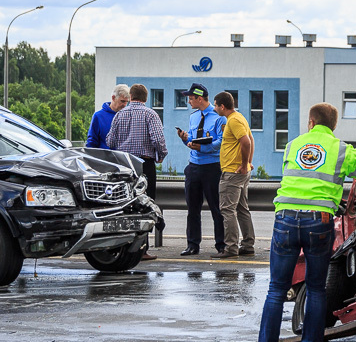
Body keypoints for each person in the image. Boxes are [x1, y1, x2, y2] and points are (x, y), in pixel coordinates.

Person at [253, 102, 356, 342]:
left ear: (310, 122)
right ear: (334, 126)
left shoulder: (292, 146)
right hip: (319, 223)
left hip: (285, 220)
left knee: (276, 289)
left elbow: (302, 179)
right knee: (315, 288)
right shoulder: (342, 150)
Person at [107, 84, 168, 260]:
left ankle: (125, 247)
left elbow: (110, 141)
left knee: (125, 206)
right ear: (146, 98)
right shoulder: (150, 114)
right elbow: (158, 139)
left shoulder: (119, 114)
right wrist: (161, 155)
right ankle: (142, 249)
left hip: (124, 166)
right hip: (144, 165)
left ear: (131, 96)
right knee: (145, 205)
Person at [176, 83, 225, 256]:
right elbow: (192, 139)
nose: (189, 101)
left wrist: (202, 148)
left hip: (212, 167)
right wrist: (185, 139)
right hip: (194, 166)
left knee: (216, 208)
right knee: (192, 209)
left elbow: (220, 142)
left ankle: (221, 245)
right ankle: (192, 245)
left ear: (199, 98)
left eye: (191, 98)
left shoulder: (219, 117)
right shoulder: (194, 116)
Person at [212, 91, 254, 259]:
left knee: (227, 210)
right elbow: (251, 139)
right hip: (241, 172)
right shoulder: (240, 117)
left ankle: (230, 248)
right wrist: (248, 163)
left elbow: (246, 142)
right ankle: (248, 244)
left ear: (222, 106)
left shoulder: (233, 120)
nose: (215, 109)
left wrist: (244, 165)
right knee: (242, 209)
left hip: (232, 172)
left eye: (215, 105)